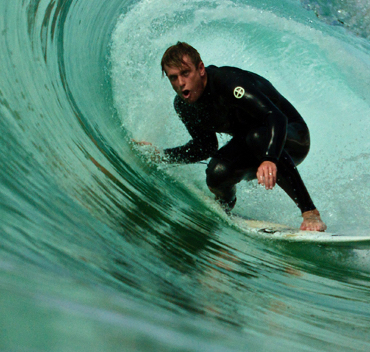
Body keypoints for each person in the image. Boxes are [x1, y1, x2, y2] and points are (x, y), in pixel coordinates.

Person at [135, 42, 326, 232]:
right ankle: (225, 206)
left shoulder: (229, 83)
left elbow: (275, 117)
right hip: (255, 144)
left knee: (258, 136)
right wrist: (163, 156)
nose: (180, 83)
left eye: (185, 73)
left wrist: (269, 158)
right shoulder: (185, 106)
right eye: (173, 78)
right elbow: (205, 146)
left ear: (200, 69)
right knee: (217, 173)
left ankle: (309, 212)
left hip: (291, 138)